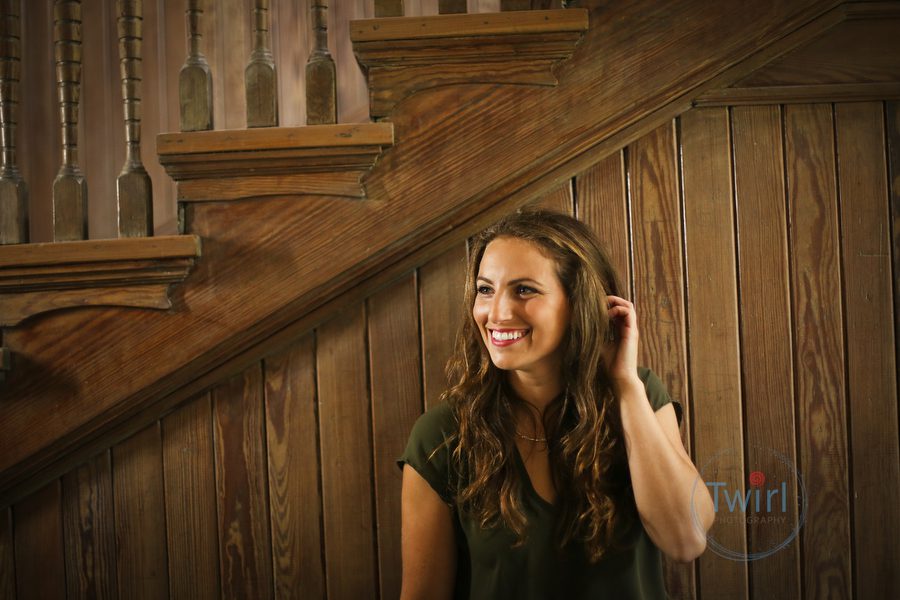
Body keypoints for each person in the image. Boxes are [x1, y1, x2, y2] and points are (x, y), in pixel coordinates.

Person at [397, 209, 715, 599]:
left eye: (524, 289)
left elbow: (687, 540)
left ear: (578, 303)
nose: (496, 313)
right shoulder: (441, 435)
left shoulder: (641, 396)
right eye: (485, 289)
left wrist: (625, 386)